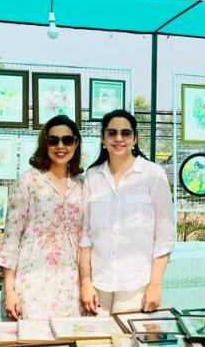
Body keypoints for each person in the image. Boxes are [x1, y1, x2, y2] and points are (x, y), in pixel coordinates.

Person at [79, 109, 175, 314]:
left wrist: (155, 285)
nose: (119, 138)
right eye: (112, 133)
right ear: (102, 138)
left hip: (137, 285)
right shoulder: (92, 176)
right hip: (98, 284)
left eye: (126, 133)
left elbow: (164, 234)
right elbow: (85, 234)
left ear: (135, 138)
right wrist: (85, 283)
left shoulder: (153, 174)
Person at [0, 115, 86, 320]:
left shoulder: (82, 183)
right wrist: (9, 290)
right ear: (45, 144)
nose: (60, 146)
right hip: (31, 281)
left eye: (67, 140)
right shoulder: (28, 181)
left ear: (76, 143)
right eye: (53, 140)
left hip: (70, 284)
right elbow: (11, 238)